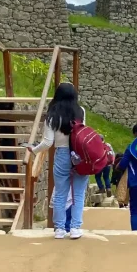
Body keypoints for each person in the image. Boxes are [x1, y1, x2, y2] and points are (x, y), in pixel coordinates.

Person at [29, 82, 90, 240]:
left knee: (60, 194)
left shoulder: (51, 115)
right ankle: (75, 228)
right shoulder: (80, 111)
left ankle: (59, 229)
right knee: (78, 193)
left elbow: (48, 142)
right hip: (79, 155)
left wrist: (34, 150)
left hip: (62, 153)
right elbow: (83, 135)